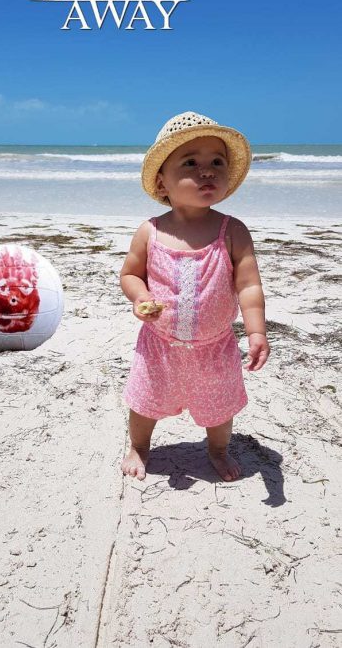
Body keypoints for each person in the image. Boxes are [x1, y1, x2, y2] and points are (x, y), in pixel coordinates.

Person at [120, 111, 270, 482]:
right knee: (145, 401)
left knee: (219, 409)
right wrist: (140, 298)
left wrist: (256, 332)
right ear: (162, 182)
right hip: (160, 344)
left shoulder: (231, 231)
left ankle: (217, 450)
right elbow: (129, 275)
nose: (208, 171)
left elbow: (249, 285)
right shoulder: (150, 232)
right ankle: (139, 445)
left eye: (217, 162)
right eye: (191, 162)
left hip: (216, 346)